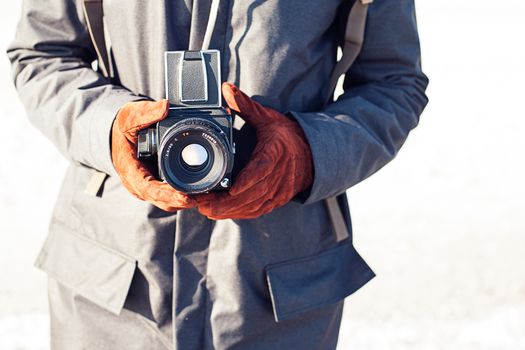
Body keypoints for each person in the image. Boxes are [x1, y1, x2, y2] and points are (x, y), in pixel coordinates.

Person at [7, 0, 428, 349]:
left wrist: (307, 152)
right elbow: (41, 54)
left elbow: (394, 83)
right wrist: (108, 129)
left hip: (279, 292)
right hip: (112, 287)